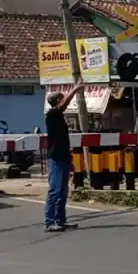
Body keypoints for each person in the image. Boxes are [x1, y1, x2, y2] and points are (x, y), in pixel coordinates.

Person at [43, 82, 84, 232]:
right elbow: (63, 104)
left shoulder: (59, 116)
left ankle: (60, 220)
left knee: (63, 191)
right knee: (55, 190)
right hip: (56, 158)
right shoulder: (52, 115)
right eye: (61, 98)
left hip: (64, 156)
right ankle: (49, 222)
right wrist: (74, 90)